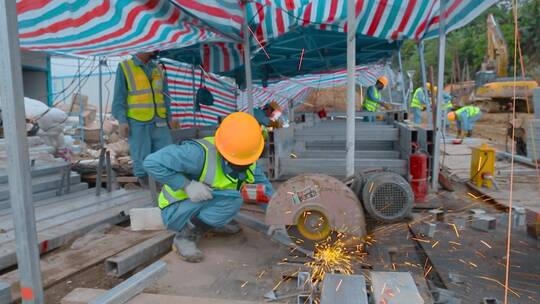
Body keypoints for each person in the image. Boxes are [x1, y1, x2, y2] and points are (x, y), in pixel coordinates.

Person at [143, 112, 273, 262]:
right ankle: (185, 237)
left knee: (233, 198)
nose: (243, 165)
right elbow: (151, 162)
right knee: (233, 200)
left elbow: (266, 191)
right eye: (236, 161)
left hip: (201, 203)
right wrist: (186, 186)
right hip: (175, 209)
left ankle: (212, 222)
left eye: (246, 161)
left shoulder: (248, 156)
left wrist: (282, 214)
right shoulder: (197, 154)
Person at [112, 50, 172, 187]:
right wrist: (122, 121)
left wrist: (170, 117)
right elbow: (119, 98)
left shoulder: (158, 68)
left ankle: (165, 188)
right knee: (141, 158)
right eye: (153, 46)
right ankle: (146, 189)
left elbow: (165, 95)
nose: (156, 49)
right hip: (138, 121)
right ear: (142, 48)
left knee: (167, 155)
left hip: (160, 120)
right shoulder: (125, 68)